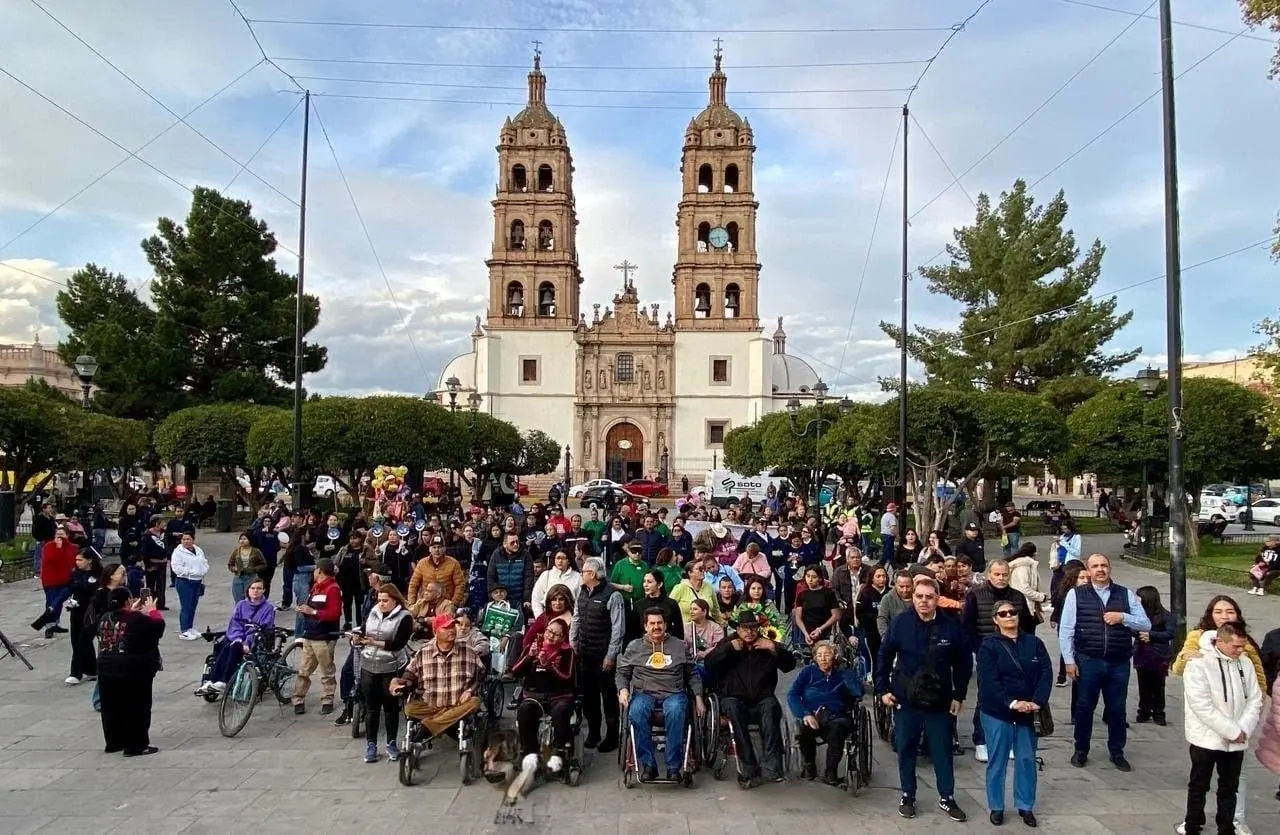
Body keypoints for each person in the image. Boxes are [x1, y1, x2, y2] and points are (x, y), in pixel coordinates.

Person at [876, 577, 973, 823]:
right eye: (919, 596)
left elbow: (963, 663)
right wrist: (882, 688)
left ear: (937, 598)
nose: (923, 601)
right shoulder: (900, 623)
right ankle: (908, 794)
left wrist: (959, 695)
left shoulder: (951, 626)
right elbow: (884, 655)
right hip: (906, 698)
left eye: (929, 597)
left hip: (939, 699)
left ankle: (947, 796)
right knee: (906, 747)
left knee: (941, 749)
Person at [1059, 553, 1151, 771]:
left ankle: (1117, 752)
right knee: (1084, 707)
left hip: (1118, 661)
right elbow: (1066, 630)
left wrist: (1123, 617)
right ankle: (1081, 750)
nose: (1100, 569)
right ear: (1088, 571)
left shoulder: (1124, 594)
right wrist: (1069, 661)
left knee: (1117, 709)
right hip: (1088, 659)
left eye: (1104, 565)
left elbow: (1145, 624)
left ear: (1109, 568)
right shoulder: (1076, 594)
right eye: (1095, 566)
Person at [1180, 623, 1263, 835]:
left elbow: (1255, 698)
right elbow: (1201, 704)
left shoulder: (1244, 663)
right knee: (1199, 784)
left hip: (1237, 737)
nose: (1240, 651)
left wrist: (1243, 728)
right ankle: (1192, 825)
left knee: (1230, 787)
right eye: (1235, 646)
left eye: (1242, 646)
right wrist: (1232, 731)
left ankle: (1226, 828)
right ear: (1220, 641)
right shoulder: (1199, 663)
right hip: (1206, 737)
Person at [977, 600, 1053, 827]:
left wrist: (1037, 701)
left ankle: (1025, 805)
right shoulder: (989, 646)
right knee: (997, 760)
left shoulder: (1034, 643)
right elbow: (989, 680)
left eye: (1012, 612)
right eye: (1003, 613)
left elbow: (1046, 672)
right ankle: (997, 806)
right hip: (998, 712)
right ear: (995, 619)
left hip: (1028, 712)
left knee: (1027, 759)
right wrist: (1012, 702)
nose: (1009, 616)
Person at [705, 609, 796, 787]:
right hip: (734, 698)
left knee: (771, 709)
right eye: (745, 628)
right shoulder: (728, 643)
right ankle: (748, 765)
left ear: (758, 629)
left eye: (753, 628)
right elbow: (709, 664)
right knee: (733, 710)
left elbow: (790, 665)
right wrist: (728, 649)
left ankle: (771, 766)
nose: (749, 632)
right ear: (738, 629)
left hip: (762, 698)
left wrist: (774, 647)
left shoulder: (766, 645)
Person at [616, 608, 705, 782]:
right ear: (645, 626)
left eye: (659, 623)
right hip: (644, 692)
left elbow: (692, 673)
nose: (656, 627)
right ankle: (648, 764)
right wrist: (623, 690)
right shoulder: (635, 646)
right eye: (652, 623)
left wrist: (699, 698)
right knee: (636, 712)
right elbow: (622, 673)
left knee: (676, 711)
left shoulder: (679, 645)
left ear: (665, 625)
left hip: (673, 692)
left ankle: (673, 767)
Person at [962, 558, 1037, 763]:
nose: (1001, 578)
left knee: (1013, 697)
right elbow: (967, 627)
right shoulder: (975, 595)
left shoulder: (1017, 597)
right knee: (986, 697)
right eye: (997, 574)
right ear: (989, 575)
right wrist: (979, 649)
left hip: (1014, 654)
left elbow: (1028, 627)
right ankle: (981, 741)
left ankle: (1010, 741)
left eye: (1004, 574)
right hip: (987, 652)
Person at [390, 612, 485, 736]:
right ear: (435, 632)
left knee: (475, 702)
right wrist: (398, 682)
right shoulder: (423, 652)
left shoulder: (468, 651)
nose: (451, 630)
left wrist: (470, 691)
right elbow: (410, 674)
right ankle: (445, 722)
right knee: (409, 709)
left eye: (452, 627)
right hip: (431, 705)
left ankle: (429, 727)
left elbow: (481, 674)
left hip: (457, 704)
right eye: (446, 628)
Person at [96, 587, 165, 756]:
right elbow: (158, 628)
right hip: (132, 669)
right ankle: (136, 745)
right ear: (127, 601)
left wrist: (133, 612)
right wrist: (152, 611)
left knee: (111, 706)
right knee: (137, 707)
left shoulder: (104, 617)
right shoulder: (138, 619)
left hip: (106, 667)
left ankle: (114, 742)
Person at [787, 640, 865, 785]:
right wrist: (805, 714)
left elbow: (858, 693)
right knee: (804, 730)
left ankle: (831, 771)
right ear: (815, 658)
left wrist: (848, 677)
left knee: (837, 729)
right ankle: (809, 765)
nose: (823, 658)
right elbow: (793, 694)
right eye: (819, 655)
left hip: (837, 716)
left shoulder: (844, 673)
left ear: (835, 656)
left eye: (827, 654)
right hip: (813, 715)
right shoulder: (808, 672)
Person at [570, 557, 626, 753]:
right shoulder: (582, 592)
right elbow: (576, 617)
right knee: (589, 697)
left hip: (603, 654)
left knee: (608, 697)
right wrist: (573, 642)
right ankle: (594, 733)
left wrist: (611, 656)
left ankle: (612, 737)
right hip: (585, 653)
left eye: (584, 572)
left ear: (592, 574)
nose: (582, 575)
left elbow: (618, 629)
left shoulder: (613, 596)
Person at [354, 584, 414, 763]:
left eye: (385, 600)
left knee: (390, 708)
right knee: (371, 708)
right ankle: (371, 745)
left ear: (395, 600)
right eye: (379, 600)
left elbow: (398, 644)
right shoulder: (373, 612)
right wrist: (358, 638)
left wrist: (373, 642)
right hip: (369, 665)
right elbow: (364, 630)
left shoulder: (405, 617)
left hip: (391, 667)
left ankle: (391, 743)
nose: (382, 604)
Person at [196, 578, 277, 696]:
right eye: (252, 588)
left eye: (259, 588)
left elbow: (261, 628)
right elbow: (235, 623)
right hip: (237, 637)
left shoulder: (268, 608)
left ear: (263, 591)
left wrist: (247, 642)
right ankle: (212, 680)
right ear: (248, 590)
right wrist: (238, 638)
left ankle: (224, 681)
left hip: (255, 639)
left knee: (234, 647)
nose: (255, 591)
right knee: (224, 646)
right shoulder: (241, 605)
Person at [512, 619, 576, 765]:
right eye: (549, 631)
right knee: (525, 710)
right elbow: (515, 671)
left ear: (563, 637)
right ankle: (529, 753)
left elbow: (567, 677)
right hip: (534, 695)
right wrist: (529, 657)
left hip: (558, 695)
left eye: (556, 634)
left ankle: (560, 752)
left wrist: (550, 666)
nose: (551, 636)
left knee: (561, 711)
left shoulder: (567, 651)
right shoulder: (532, 646)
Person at [291, 558, 343, 715]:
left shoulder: (332, 589)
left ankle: (327, 698)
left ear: (320, 571)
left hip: (324, 636)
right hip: (311, 635)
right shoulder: (315, 588)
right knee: (304, 670)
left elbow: (334, 613)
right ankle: (298, 698)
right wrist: (304, 609)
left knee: (326, 670)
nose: (313, 573)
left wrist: (313, 612)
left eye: (315, 570)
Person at [1133, 585, 1174, 726]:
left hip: (1159, 654)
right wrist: (1140, 635)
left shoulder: (1165, 615)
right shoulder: (1138, 615)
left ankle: (1158, 712)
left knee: (1158, 685)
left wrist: (1151, 635)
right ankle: (1143, 710)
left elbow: (1169, 634)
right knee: (1143, 684)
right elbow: (1131, 628)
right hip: (1142, 653)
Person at [30, 526, 78, 638]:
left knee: (59, 602)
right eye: (57, 535)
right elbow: (51, 559)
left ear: (67, 535)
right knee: (51, 602)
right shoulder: (48, 546)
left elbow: (73, 562)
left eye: (62, 535)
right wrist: (58, 547)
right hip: (50, 580)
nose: (59, 537)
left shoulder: (72, 547)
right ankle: (49, 626)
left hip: (65, 579)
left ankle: (55, 623)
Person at [63, 550, 103, 684]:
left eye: (80, 560)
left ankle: (76, 673)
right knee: (76, 641)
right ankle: (92, 670)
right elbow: (69, 589)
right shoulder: (75, 574)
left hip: (91, 613)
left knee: (83, 641)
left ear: (89, 560)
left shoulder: (98, 575)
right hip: (76, 611)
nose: (77, 562)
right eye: (76, 560)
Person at [170, 532, 210, 641]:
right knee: (186, 606)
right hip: (185, 581)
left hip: (197, 581)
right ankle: (184, 630)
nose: (186, 541)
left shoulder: (198, 550)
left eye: (188, 539)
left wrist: (203, 570)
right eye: (184, 539)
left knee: (193, 605)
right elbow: (176, 568)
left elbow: (204, 562)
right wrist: (191, 572)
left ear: (193, 540)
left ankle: (190, 627)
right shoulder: (178, 552)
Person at [409, 535, 466, 608]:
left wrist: (454, 603)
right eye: (434, 547)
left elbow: (460, 585)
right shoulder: (422, 563)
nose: (437, 550)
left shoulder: (453, 563)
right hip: (425, 603)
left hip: (446, 604)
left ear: (444, 549)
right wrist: (412, 604)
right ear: (429, 549)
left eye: (439, 547)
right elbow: (413, 584)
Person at [792, 566, 842, 646]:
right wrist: (805, 633)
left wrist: (820, 629)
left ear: (820, 578)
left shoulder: (828, 593)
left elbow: (836, 615)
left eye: (814, 577)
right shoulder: (802, 594)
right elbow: (798, 617)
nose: (810, 580)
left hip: (825, 631)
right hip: (806, 631)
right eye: (807, 576)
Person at [629, 569, 683, 642]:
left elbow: (679, 630)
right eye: (644, 581)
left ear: (660, 584)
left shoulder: (671, 604)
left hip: (667, 646)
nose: (645, 585)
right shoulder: (638, 605)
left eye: (649, 582)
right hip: (644, 648)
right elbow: (632, 632)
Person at [531, 549, 581, 618]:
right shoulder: (546, 575)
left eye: (563, 558)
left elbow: (579, 601)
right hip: (547, 616)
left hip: (570, 617)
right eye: (558, 558)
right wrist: (541, 618)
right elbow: (536, 599)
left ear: (568, 560)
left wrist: (574, 619)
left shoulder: (577, 577)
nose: (560, 561)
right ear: (554, 560)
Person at [226, 532, 266, 604]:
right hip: (238, 577)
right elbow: (230, 564)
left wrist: (254, 569)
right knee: (238, 600)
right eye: (241, 539)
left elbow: (263, 564)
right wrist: (235, 569)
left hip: (251, 577)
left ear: (250, 540)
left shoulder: (256, 551)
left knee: (250, 599)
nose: (242, 541)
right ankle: (240, 614)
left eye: (245, 539)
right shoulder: (236, 551)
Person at [685, 598, 724, 665]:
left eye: (695, 609)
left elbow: (719, 647)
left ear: (704, 612)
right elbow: (683, 647)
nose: (691, 612)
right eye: (690, 609)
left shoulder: (715, 628)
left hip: (711, 661)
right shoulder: (686, 628)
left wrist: (703, 654)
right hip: (691, 663)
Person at [879, 503, 899, 568]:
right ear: (893, 509)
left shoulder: (884, 515)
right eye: (895, 508)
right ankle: (881, 564)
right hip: (889, 536)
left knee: (889, 551)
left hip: (884, 535)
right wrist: (897, 535)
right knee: (888, 551)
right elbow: (893, 528)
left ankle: (893, 564)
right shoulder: (892, 517)